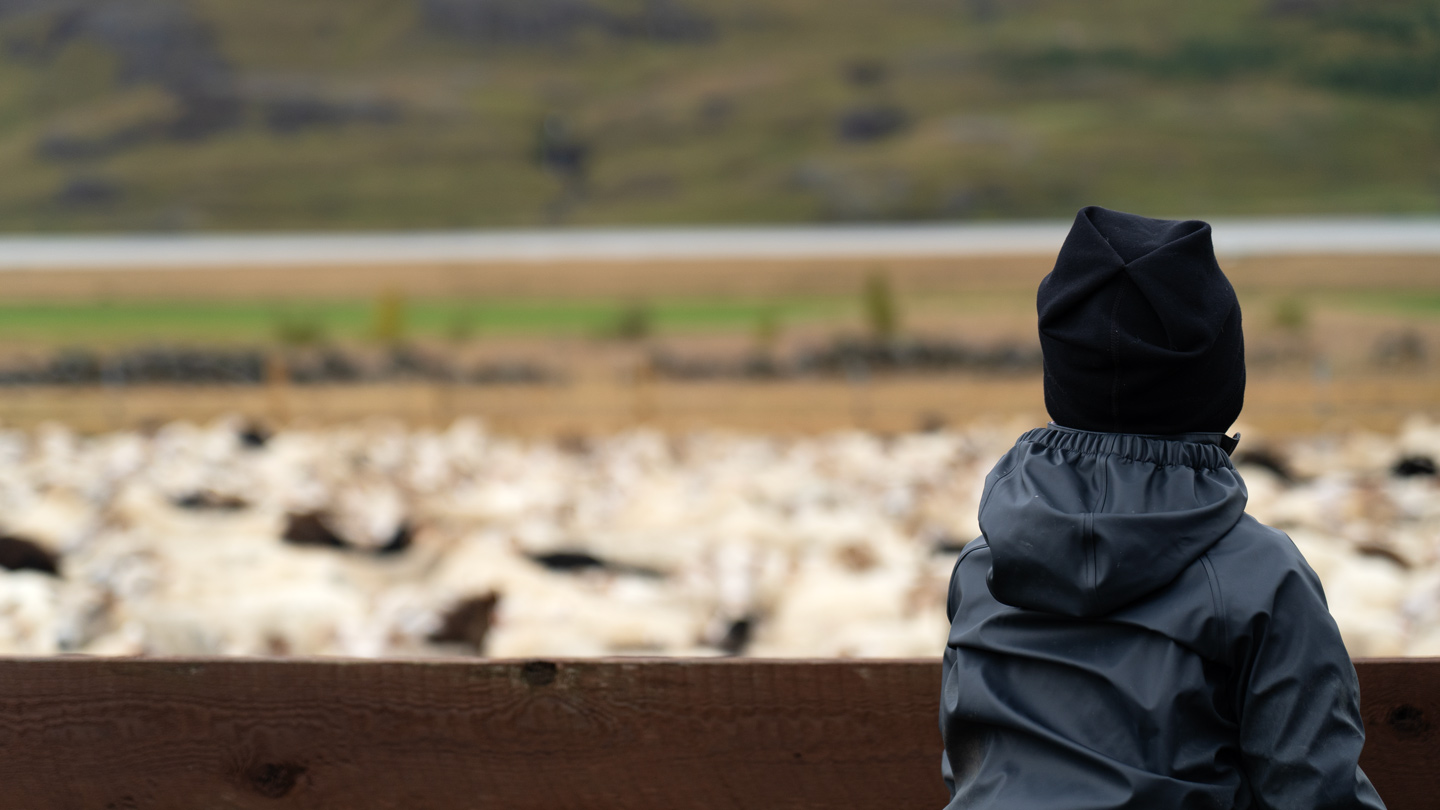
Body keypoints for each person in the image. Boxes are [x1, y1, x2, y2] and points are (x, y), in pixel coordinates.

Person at [939, 206, 1386, 809]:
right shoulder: (1260, 577)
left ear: (1061, 372)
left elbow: (969, 765)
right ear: (1221, 380)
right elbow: (1316, 794)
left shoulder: (984, 568)